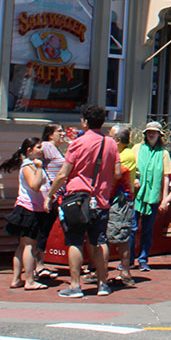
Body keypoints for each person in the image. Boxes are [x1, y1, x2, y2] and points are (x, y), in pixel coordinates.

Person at [50, 104, 121, 298]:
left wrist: (51, 194)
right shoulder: (111, 144)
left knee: (74, 241)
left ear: (85, 122)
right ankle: (103, 283)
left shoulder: (77, 144)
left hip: (78, 199)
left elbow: (63, 173)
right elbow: (117, 173)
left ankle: (75, 286)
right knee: (98, 241)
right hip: (101, 200)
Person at [0, 137, 51, 291]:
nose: (41, 150)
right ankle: (29, 280)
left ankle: (16, 279)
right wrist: (40, 168)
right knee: (30, 245)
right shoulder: (29, 166)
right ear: (29, 150)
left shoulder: (30, 165)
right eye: (38, 147)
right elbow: (34, 186)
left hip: (33, 208)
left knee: (23, 245)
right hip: (29, 210)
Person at [132, 121, 171, 272]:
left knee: (147, 230)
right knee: (132, 227)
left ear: (159, 135)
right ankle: (129, 259)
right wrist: (134, 179)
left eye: (154, 132)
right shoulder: (137, 149)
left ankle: (143, 259)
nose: (151, 134)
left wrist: (164, 199)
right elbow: (130, 168)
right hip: (136, 195)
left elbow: (166, 177)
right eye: (149, 132)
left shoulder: (163, 153)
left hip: (153, 195)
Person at [104, 124, 138, 287]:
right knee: (105, 235)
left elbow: (114, 175)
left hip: (121, 201)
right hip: (110, 200)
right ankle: (100, 270)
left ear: (117, 140)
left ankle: (125, 273)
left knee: (120, 236)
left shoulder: (126, 154)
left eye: (109, 136)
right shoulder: (115, 153)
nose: (106, 138)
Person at [33, 124, 68, 280]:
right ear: (49, 135)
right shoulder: (46, 146)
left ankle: (40, 263)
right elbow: (35, 159)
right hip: (48, 195)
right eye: (59, 131)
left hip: (56, 197)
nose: (63, 133)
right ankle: (38, 266)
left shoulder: (56, 149)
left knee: (46, 230)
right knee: (42, 229)